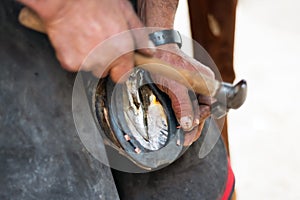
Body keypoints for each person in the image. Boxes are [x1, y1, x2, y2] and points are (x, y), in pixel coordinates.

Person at [0, 0, 235, 199]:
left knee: (194, 185)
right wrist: (63, 8)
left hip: (121, 17)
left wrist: (160, 36)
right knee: (62, 185)